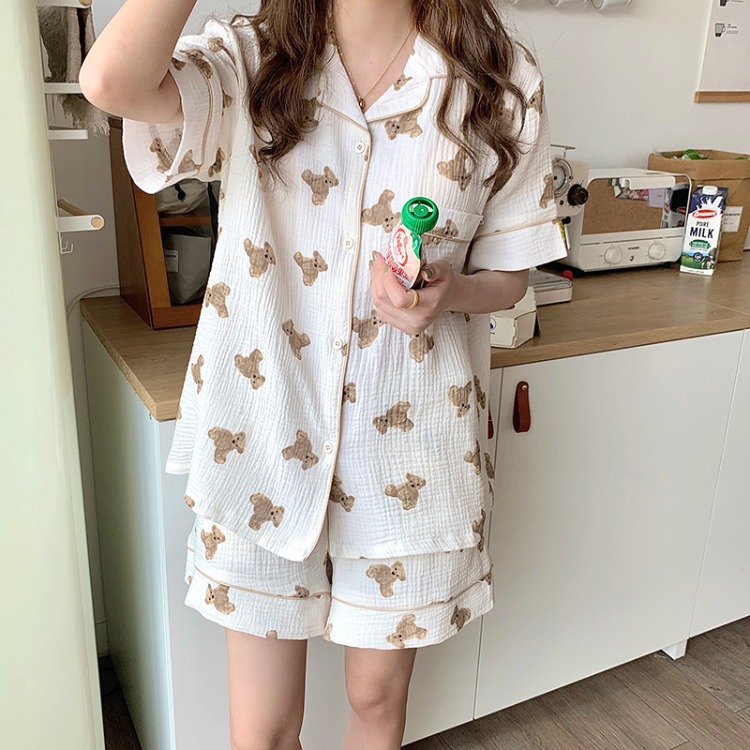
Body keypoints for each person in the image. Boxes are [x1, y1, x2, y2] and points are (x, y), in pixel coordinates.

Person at [81, 1, 566, 748]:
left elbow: (508, 277)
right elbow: (112, 81)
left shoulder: (501, 81)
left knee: (376, 699)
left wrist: (447, 295)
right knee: (264, 729)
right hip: (263, 437)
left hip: (409, 449)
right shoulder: (252, 59)